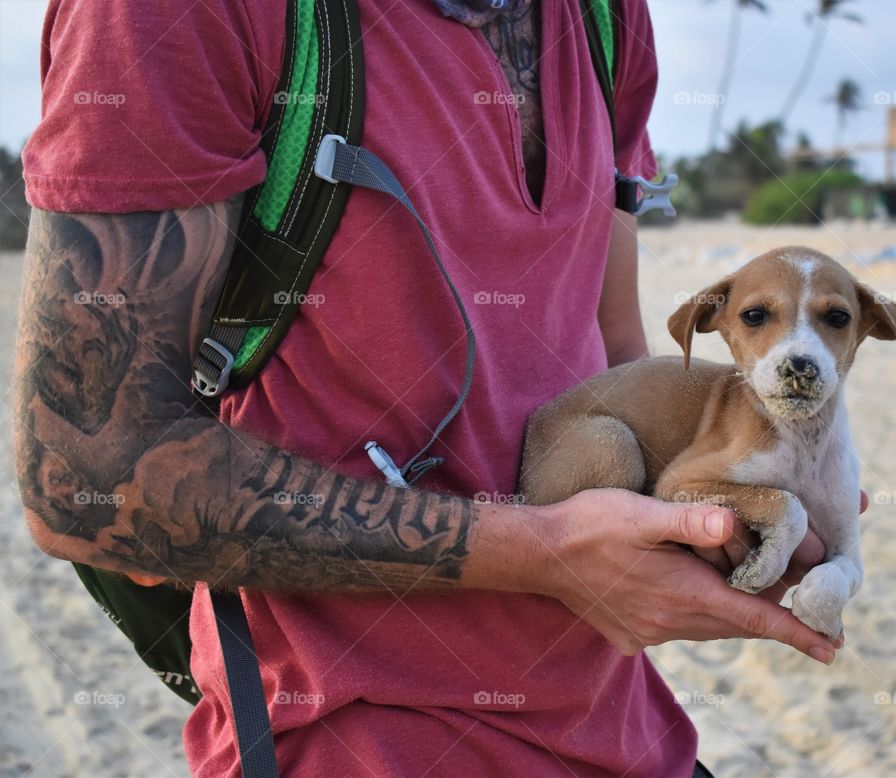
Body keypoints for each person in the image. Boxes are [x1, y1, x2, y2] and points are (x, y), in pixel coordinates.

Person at [14, 1, 841, 775]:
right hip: (348, 736)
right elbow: (86, 479)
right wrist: (544, 555)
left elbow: (616, 356)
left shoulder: (606, 17)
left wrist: (706, 513)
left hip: (620, 728)